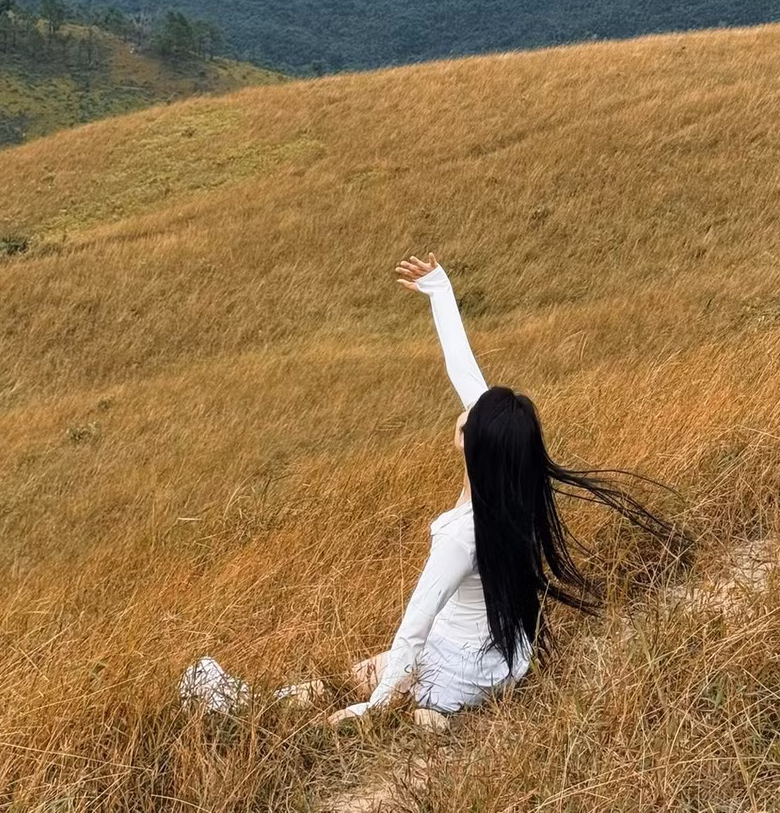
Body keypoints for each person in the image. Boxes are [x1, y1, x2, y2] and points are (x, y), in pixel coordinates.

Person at [180, 251, 683, 727]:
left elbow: (415, 623)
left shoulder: (463, 535)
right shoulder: (512, 484)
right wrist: (440, 290)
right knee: (384, 667)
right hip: (506, 660)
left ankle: (255, 708)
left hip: (461, 667)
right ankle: (428, 711)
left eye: (469, 417)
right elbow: (464, 372)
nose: (464, 409)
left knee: (342, 682)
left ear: (474, 445)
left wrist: (374, 708)